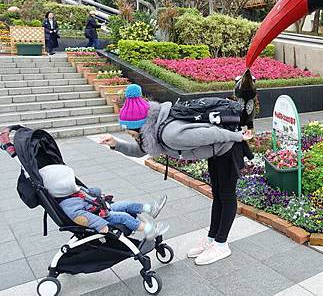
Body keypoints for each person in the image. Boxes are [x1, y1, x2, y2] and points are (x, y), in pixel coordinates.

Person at [99, 84, 254, 265]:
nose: (132, 137)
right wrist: (115, 144)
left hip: (228, 148)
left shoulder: (171, 134)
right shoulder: (154, 128)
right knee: (218, 195)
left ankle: (221, 244)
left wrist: (238, 137)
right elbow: (141, 150)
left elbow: (210, 134)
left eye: (132, 134)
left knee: (226, 195)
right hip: (217, 152)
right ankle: (212, 238)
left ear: (141, 128)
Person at [39, 164, 169, 238]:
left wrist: (94, 192)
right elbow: (83, 218)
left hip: (102, 208)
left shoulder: (73, 192)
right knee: (124, 217)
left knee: (127, 204)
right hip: (101, 218)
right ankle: (150, 229)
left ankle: (150, 209)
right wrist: (101, 225)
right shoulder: (68, 205)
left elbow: (90, 194)